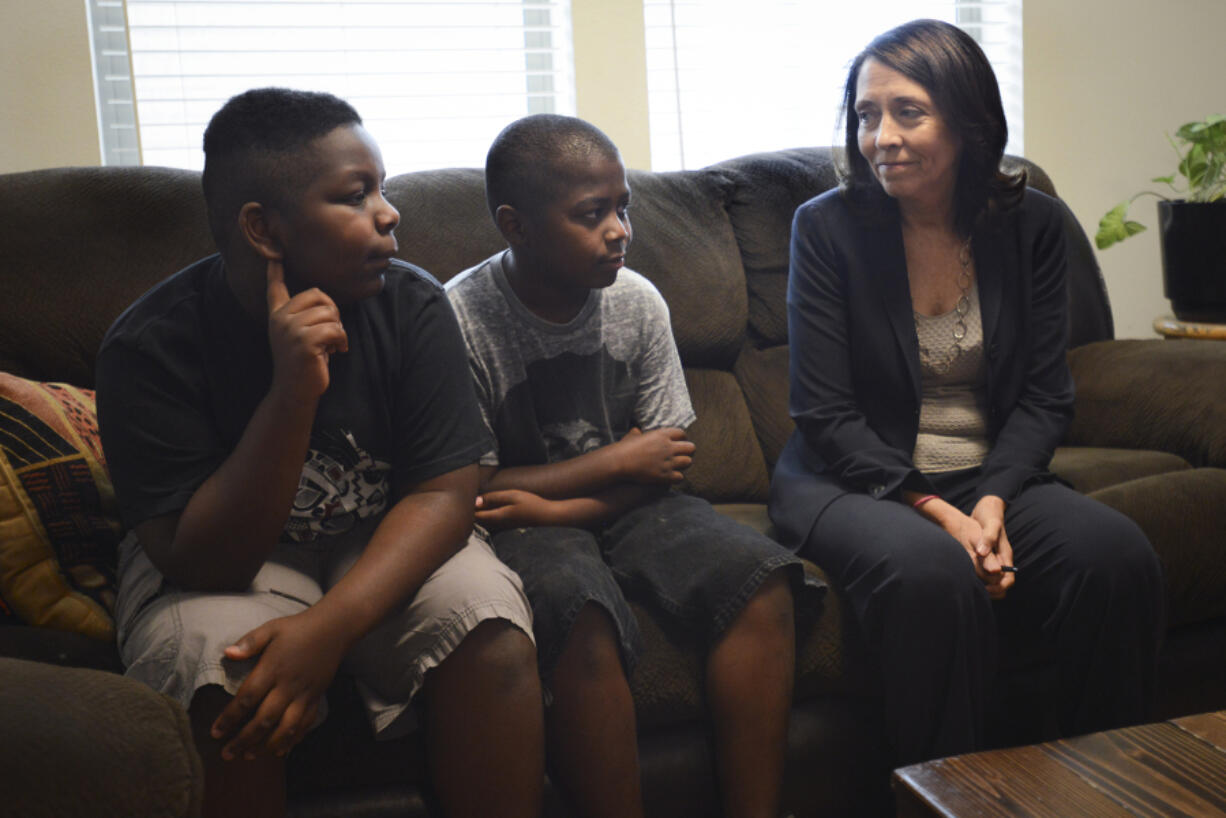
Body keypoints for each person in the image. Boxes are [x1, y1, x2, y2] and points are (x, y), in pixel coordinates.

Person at [95, 88, 544, 818]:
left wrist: (325, 632)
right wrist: (292, 394)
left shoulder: (412, 304)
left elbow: (443, 495)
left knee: (486, 622)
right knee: (216, 668)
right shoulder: (150, 347)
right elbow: (204, 560)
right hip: (225, 556)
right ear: (263, 230)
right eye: (355, 195)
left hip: (381, 531)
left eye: (384, 189)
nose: (389, 212)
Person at [769, 19, 1164, 767]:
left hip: (991, 475)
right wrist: (941, 513)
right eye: (865, 116)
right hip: (854, 480)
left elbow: (1047, 396)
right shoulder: (825, 229)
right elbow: (823, 412)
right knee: (932, 575)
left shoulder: (1033, 225)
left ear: (967, 118)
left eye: (906, 112)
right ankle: (944, 800)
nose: (881, 136)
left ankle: (1106, 787)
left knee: (1117, 558)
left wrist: (991, 502)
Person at [445, 113, 823, 818]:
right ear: (515, 225)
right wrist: (616, 459)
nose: (619, 229)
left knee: (763, 582)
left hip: (624, 506)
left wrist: (559, 503)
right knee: (576, 612)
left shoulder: (637, 301)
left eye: (623, 208)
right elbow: (475, 489)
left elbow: (667, 464)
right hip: (529, 530)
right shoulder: (463, 319)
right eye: (593, 215)